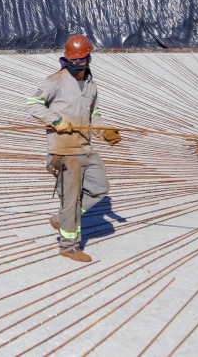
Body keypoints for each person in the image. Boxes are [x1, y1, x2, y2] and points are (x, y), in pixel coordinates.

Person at [26, 34, 121, 262]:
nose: (77, 63)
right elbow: (33, 104)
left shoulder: (91, 85)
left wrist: (104, 132)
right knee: (71, 201)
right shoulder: (54, 81)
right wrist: (56, 120)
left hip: (86, 147)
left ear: (88, 58)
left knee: (100, 187)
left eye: (81, 59)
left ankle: (62, 219)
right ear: (66, 59)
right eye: (73, 59)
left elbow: (93, 114)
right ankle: (68, 246)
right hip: (64, 151)